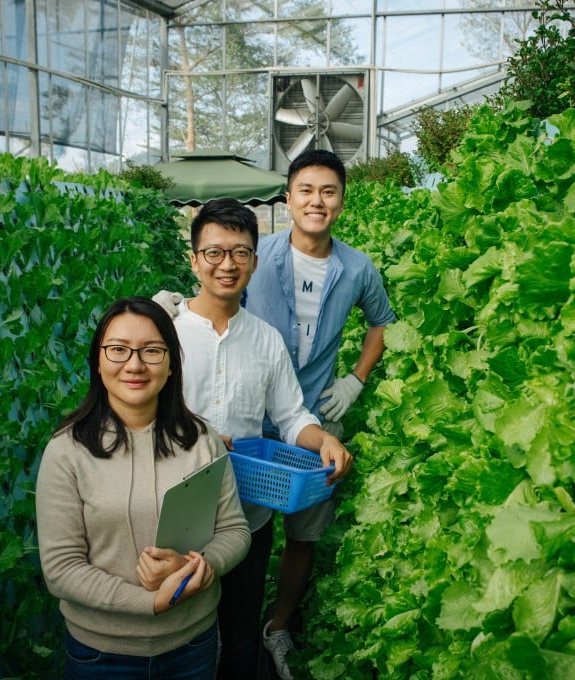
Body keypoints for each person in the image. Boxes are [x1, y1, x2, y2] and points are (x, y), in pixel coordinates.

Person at [165, 197, 354, 679]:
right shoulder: (165, 332)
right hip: (173, 515)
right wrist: (198, 434)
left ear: (254, 259)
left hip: (246, 515)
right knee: (176, 633)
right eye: (214, 252)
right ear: (194, 259)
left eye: (240, 253)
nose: (227, 265)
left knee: (240, 635)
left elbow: (291, 415)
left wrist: (322, 442)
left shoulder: (265, 338)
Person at [35, 296, 251, 680]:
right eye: (118, 350)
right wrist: (151, 602)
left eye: (152, 351)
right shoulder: (67, 451)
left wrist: (194, 568)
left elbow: (235, 530)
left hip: (192, 644)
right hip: (101, 654)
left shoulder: (201, 440)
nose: (134, 364)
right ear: (98, 362)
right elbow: (61, 569)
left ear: (170, 365)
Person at [244, 149, 395, 678]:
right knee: (238, 530)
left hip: (316, 417)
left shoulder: (357, 267)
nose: (316, 201)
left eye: (328, 191)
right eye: (306, 190)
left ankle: (277, 627)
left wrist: (356, 379)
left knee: (303, 533)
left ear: (341, 202)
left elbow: (382, 323)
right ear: (288, 198)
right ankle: (228, 631)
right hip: (250, 417)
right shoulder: (256, 255)